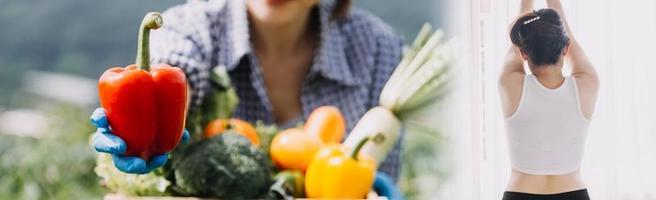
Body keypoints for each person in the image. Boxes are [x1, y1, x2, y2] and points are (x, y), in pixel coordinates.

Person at [90, 0, 405, 182]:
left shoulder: (379, 49)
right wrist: (144, 121)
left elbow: (381, 176)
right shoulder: (191, 27)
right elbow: (176, 66)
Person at [499, 0, 599, 199]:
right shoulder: (587, 85)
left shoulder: (510, 84)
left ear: (523, 53)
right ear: (566, 47)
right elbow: (570, 42)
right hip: (573, 194)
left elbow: (515, 46)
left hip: (521, 193)